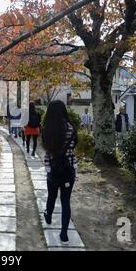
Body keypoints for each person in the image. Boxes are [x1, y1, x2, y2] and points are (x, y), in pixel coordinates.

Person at [42, 100, 78, 244]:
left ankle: (48, 215)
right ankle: (64, 234)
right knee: (65, 200)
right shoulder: (71, 127)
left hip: (52, 167)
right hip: (68, 168)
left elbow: (46, 148)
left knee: (51, 195)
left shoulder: (47, 128)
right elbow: (74, 145)